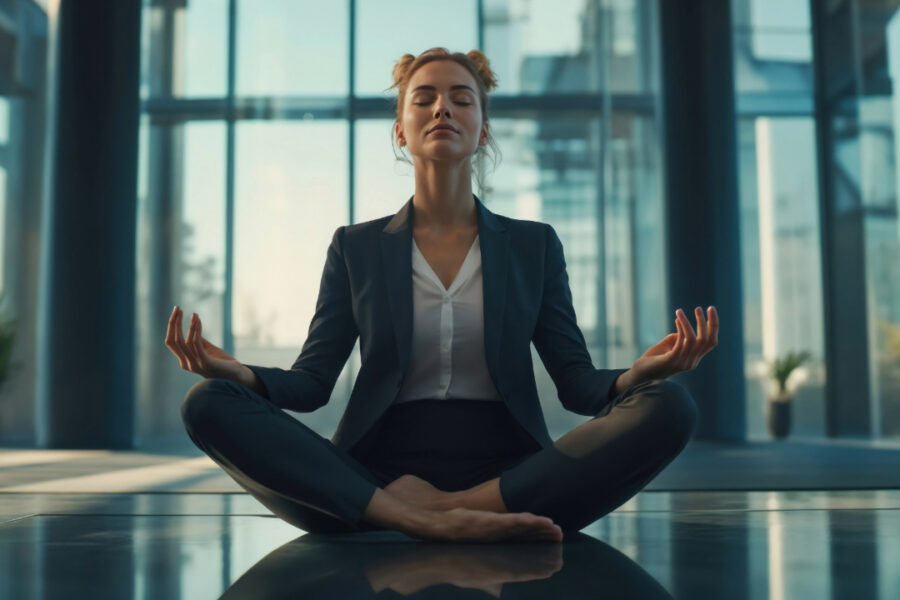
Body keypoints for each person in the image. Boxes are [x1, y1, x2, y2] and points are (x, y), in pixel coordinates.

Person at [166, 47, 718, 544]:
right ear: (401, 132)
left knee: (669, 405)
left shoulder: (534, 245)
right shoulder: (355, 247)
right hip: (377, 475)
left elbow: (577, 384)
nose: (442, 109)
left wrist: (637, 374)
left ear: (483, 131)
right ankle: (416, 516)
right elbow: (312, 384)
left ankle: (443, 511)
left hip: (510, 474)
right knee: (209, 402)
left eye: (461, 99)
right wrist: (239, 374)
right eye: (424, 99)